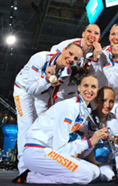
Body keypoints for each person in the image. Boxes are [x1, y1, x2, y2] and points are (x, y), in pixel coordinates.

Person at [17, 74, 110, 184]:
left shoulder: (82, 109)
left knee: (95, 171)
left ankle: (44, 175)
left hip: (49, 151)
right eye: (86, 85)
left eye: (93, 87)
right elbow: (60, 148)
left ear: (97, 90)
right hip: (38, 151)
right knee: (86, 175)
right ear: (79, 88)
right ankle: (33, 178)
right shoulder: (70, 107)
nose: (89, 90)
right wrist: (89, 142)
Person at [13, 43, 83, 175]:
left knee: (44, 126)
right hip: (23, 91)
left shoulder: (66, 72)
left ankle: (40, 163)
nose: (71, 59)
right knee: (26, 126)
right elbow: (31, 89)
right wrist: (47, 79)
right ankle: (23, 168)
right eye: (71, 54)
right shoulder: (40, 58)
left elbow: (56, 93)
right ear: (63, 50)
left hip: (43, 94)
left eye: (76, 59)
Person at [78, 86, 118, 181]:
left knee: (109, 176)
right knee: (89, 175)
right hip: (84, 161)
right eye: (104, 100)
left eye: (111, 101)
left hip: (104, 163)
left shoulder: (115, 121)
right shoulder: (86, 119)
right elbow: (78, 146)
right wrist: (95, 140)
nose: (107, 105)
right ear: (96, 100)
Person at [91, 24, 118, 103]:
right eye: (113, 34)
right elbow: (113, 83)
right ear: (109, 37)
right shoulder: (103, 54)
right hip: (104, 97)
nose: (116, 37)